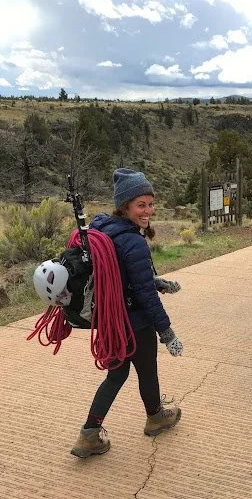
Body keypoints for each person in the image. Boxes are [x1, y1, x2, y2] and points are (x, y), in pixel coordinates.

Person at [70, 168, 183, 458]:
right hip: (136, 324)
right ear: (125, 206)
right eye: (141, 205)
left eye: (150, 204)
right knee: (147, 371)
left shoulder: (105, 230)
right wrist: (166, 332)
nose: (148, 211)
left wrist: (157, 281)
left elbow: (123, 277)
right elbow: (144, 295)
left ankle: (89, 434)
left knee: (115, 376)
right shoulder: (132, 240)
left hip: (112, 322)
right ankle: (156, 417)